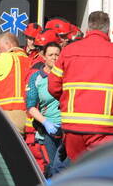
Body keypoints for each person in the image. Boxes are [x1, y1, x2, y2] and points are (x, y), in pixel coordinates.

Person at [47, 10, 113, 159]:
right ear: (108, 31)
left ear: (87, 30)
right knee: (99, 173)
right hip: (104, 127)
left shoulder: (68, 51)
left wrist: (67, 99)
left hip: (73, 126)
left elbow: (53, 86)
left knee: (78, 172)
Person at [26, 37, 67, 177]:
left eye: (57, 54)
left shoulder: (67, 75)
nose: (54, 58)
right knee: (52, 169)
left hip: (67, 130)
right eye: (51, 55)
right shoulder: (36, 78)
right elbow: (30, 106)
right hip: (48, 131)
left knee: (62, 168)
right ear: (43, 56)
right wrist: (45, 122)